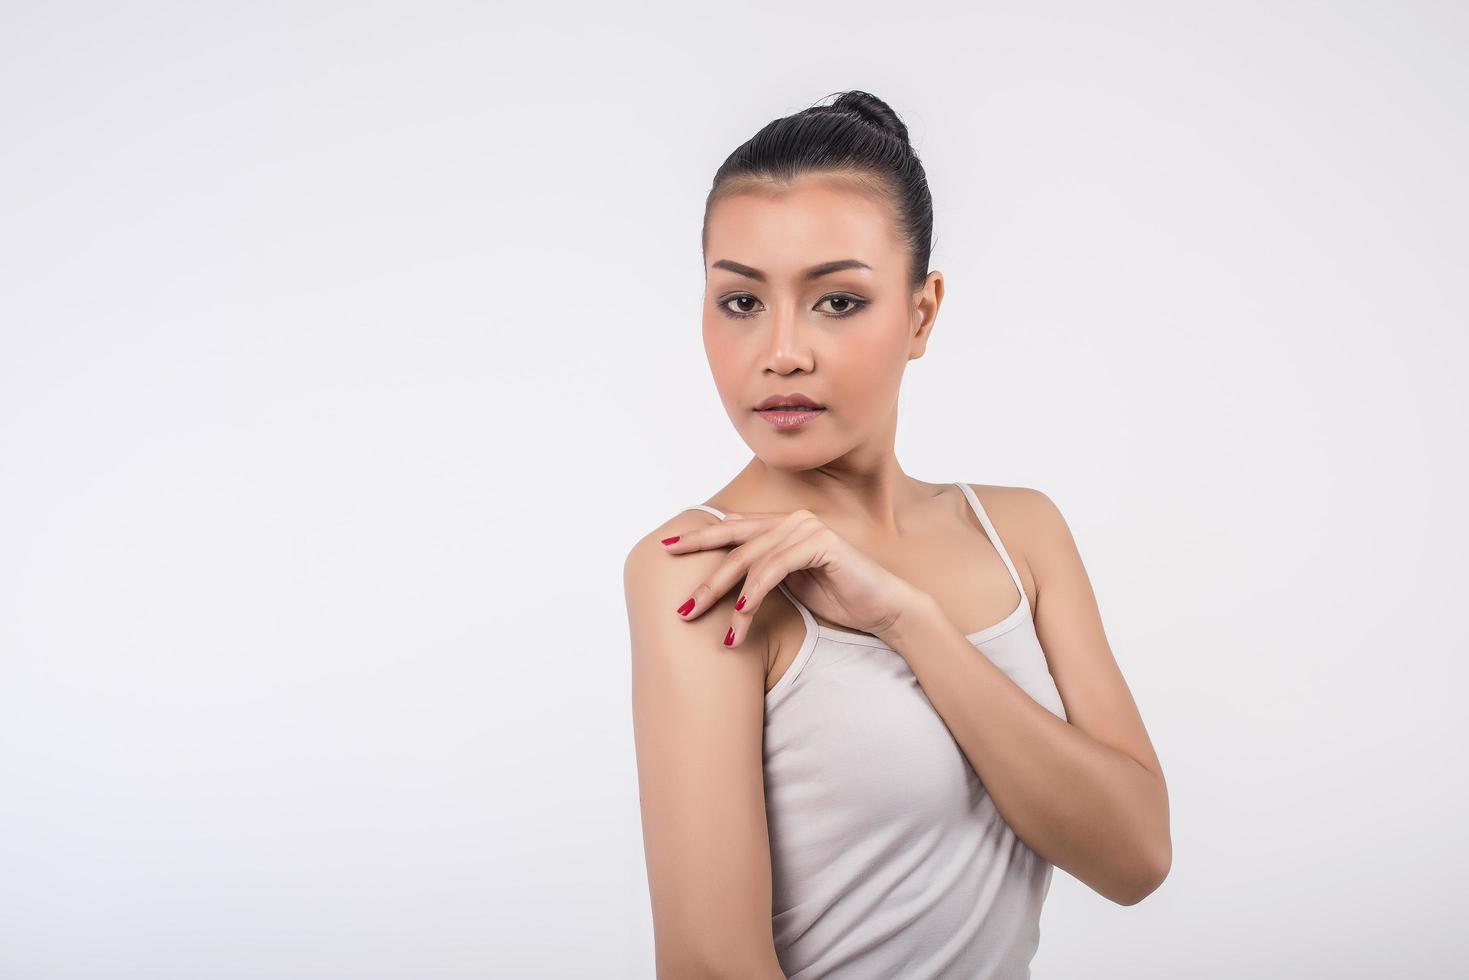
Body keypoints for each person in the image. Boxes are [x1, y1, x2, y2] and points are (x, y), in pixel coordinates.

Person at [624, 90, 1171, 980]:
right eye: (739, 301)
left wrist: (907, 621)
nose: (781, 352)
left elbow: (1135, 857)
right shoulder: (702, 567)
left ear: (920, 314)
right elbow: (710, 965)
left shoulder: (1020, 533)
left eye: (836, 301)